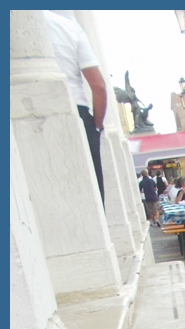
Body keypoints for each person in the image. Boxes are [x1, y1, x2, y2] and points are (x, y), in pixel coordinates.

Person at [43, 10, 106, 203]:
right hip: (77, 110)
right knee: (92, 192)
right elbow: (98, 86)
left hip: (36, 110)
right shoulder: (68, 25)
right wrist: (96, 126)